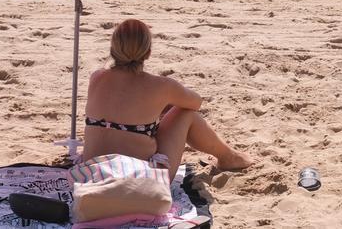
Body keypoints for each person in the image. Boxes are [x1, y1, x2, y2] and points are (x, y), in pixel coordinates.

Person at [82, 19, 253, 173]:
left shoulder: (97, 77)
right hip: (138, 183)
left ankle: (228, 156)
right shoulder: (162, 86)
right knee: (185, 114)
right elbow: (196, 103)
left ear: (113, 50)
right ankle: (228, 157)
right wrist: (163, 103)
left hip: (90, 175)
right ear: (148, 53)